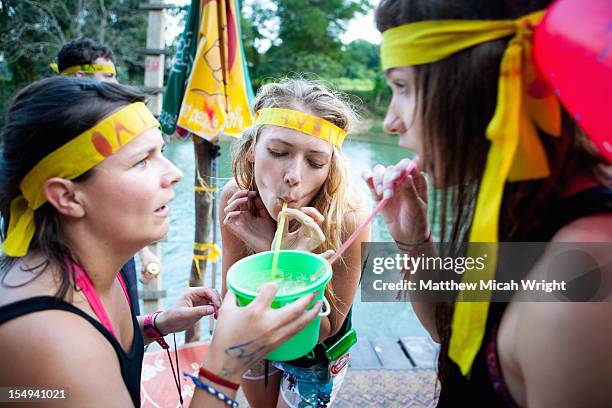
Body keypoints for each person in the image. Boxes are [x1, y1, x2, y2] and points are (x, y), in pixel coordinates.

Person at [0, 76, 322, 407]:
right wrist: (229, 360)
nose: (173, 173)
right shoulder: (45, 340)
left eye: (162, 152)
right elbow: (76, 360)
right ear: (67, 197)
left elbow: (101, 345)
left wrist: (155, 324)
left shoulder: (97, 273)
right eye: (142, 160)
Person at [364, 1, 612, 406]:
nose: (391, 121)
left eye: (403, 86)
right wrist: (414, 240)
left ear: (479, 83)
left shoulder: (582, 280)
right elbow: (455, 335)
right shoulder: (520, 199)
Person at [220, 79, 370, 407]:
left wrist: (275, 250)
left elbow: (325, 328)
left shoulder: (346, 219)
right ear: (250, 151)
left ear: (330, 168)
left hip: (314, 356)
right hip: (253, 340)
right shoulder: (235, 202)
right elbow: (230, 301)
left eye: (315, 162)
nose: (293, 176)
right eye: (278, 152)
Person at [54, 37, 164, 311]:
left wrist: (144, 251)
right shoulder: (55, 133)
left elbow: (119, 199)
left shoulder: (110, 124)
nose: (115, 85)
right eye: (108, 76)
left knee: (128, 326)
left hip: (118, 251)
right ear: (79, 76)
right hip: (73, 261)